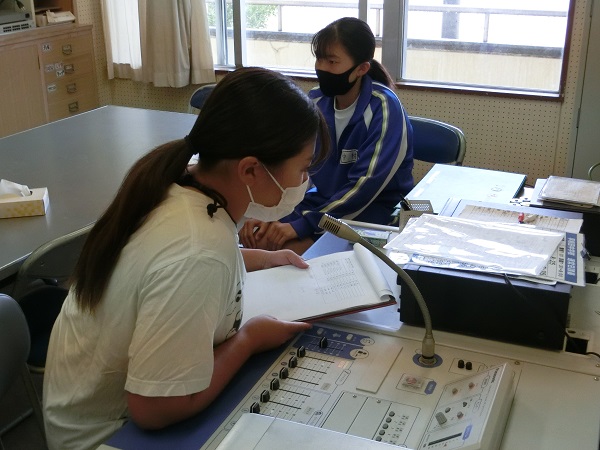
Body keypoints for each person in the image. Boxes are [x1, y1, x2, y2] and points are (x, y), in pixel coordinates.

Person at [42, 67, 330, 450]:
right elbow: (154, 409)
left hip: (83, 411)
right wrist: (248, 339)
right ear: (250, 169)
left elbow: (162, 268)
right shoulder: (199, 249)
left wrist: (258, 258)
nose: (305, 182)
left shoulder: (182, 184)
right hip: (106, 437)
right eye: (303, 168)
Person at [239, 17, 414, 255]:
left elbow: (364, 187)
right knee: (260, 238)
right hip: (323, 203)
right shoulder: (315, 101)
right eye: (319, 59)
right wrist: (271, 213)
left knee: (285, 251)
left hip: (373, 211)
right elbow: (292, 164)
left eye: (332, 61)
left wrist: (302, 225)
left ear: (361, 69)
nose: (322, 68)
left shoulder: (384, 108)